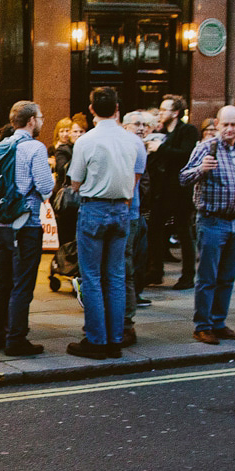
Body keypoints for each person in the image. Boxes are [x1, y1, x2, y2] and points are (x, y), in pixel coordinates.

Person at [66, 88, 140, 360]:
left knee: (93, 277)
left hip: (94, 209)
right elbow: (134, 175)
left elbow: (75, 183)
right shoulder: (131, 140)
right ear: (118, 108)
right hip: (122, 209)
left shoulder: (86, 141)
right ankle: (115, 339)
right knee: (116, 276)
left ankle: (96, 340)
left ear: (92, 109)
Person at [180, 106, 235, 344]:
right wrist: (200, 169)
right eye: (224, 124)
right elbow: (183, 177)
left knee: (226, 278)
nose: (229, 129)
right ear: (217, 123)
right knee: (207, 278)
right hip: (211, 221)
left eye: (233, 124)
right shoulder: (205, 147)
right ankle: (202, 325)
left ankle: (218, 322)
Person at [0, 101, 53, 356]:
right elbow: (45, 187)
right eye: (41, 117)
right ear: (31, 120)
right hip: (26, 224)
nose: (42, 121)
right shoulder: (35, 148)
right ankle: (16, 339)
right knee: (22, 282)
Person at [144, 95, 200, 290]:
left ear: (176, 113)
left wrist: (161, 148)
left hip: (181, 191)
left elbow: (186, 155)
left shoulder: (188, 131)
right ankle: (155, 270)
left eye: (164, 110)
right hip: (161, 191)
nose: (160, 113)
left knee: (184, 232)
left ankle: (188, 276)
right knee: (155, 228)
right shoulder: (161, 132)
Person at [119, 111, 154, 345]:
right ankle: (122, 323)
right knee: (123, 269)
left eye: (144, 124)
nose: (141, 127)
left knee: (126, 268)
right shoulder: (126, 145)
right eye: (136, 124)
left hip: (133, 214)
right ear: (124, 125)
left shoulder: (140, 147)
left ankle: (126, 324)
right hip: (129, 213)